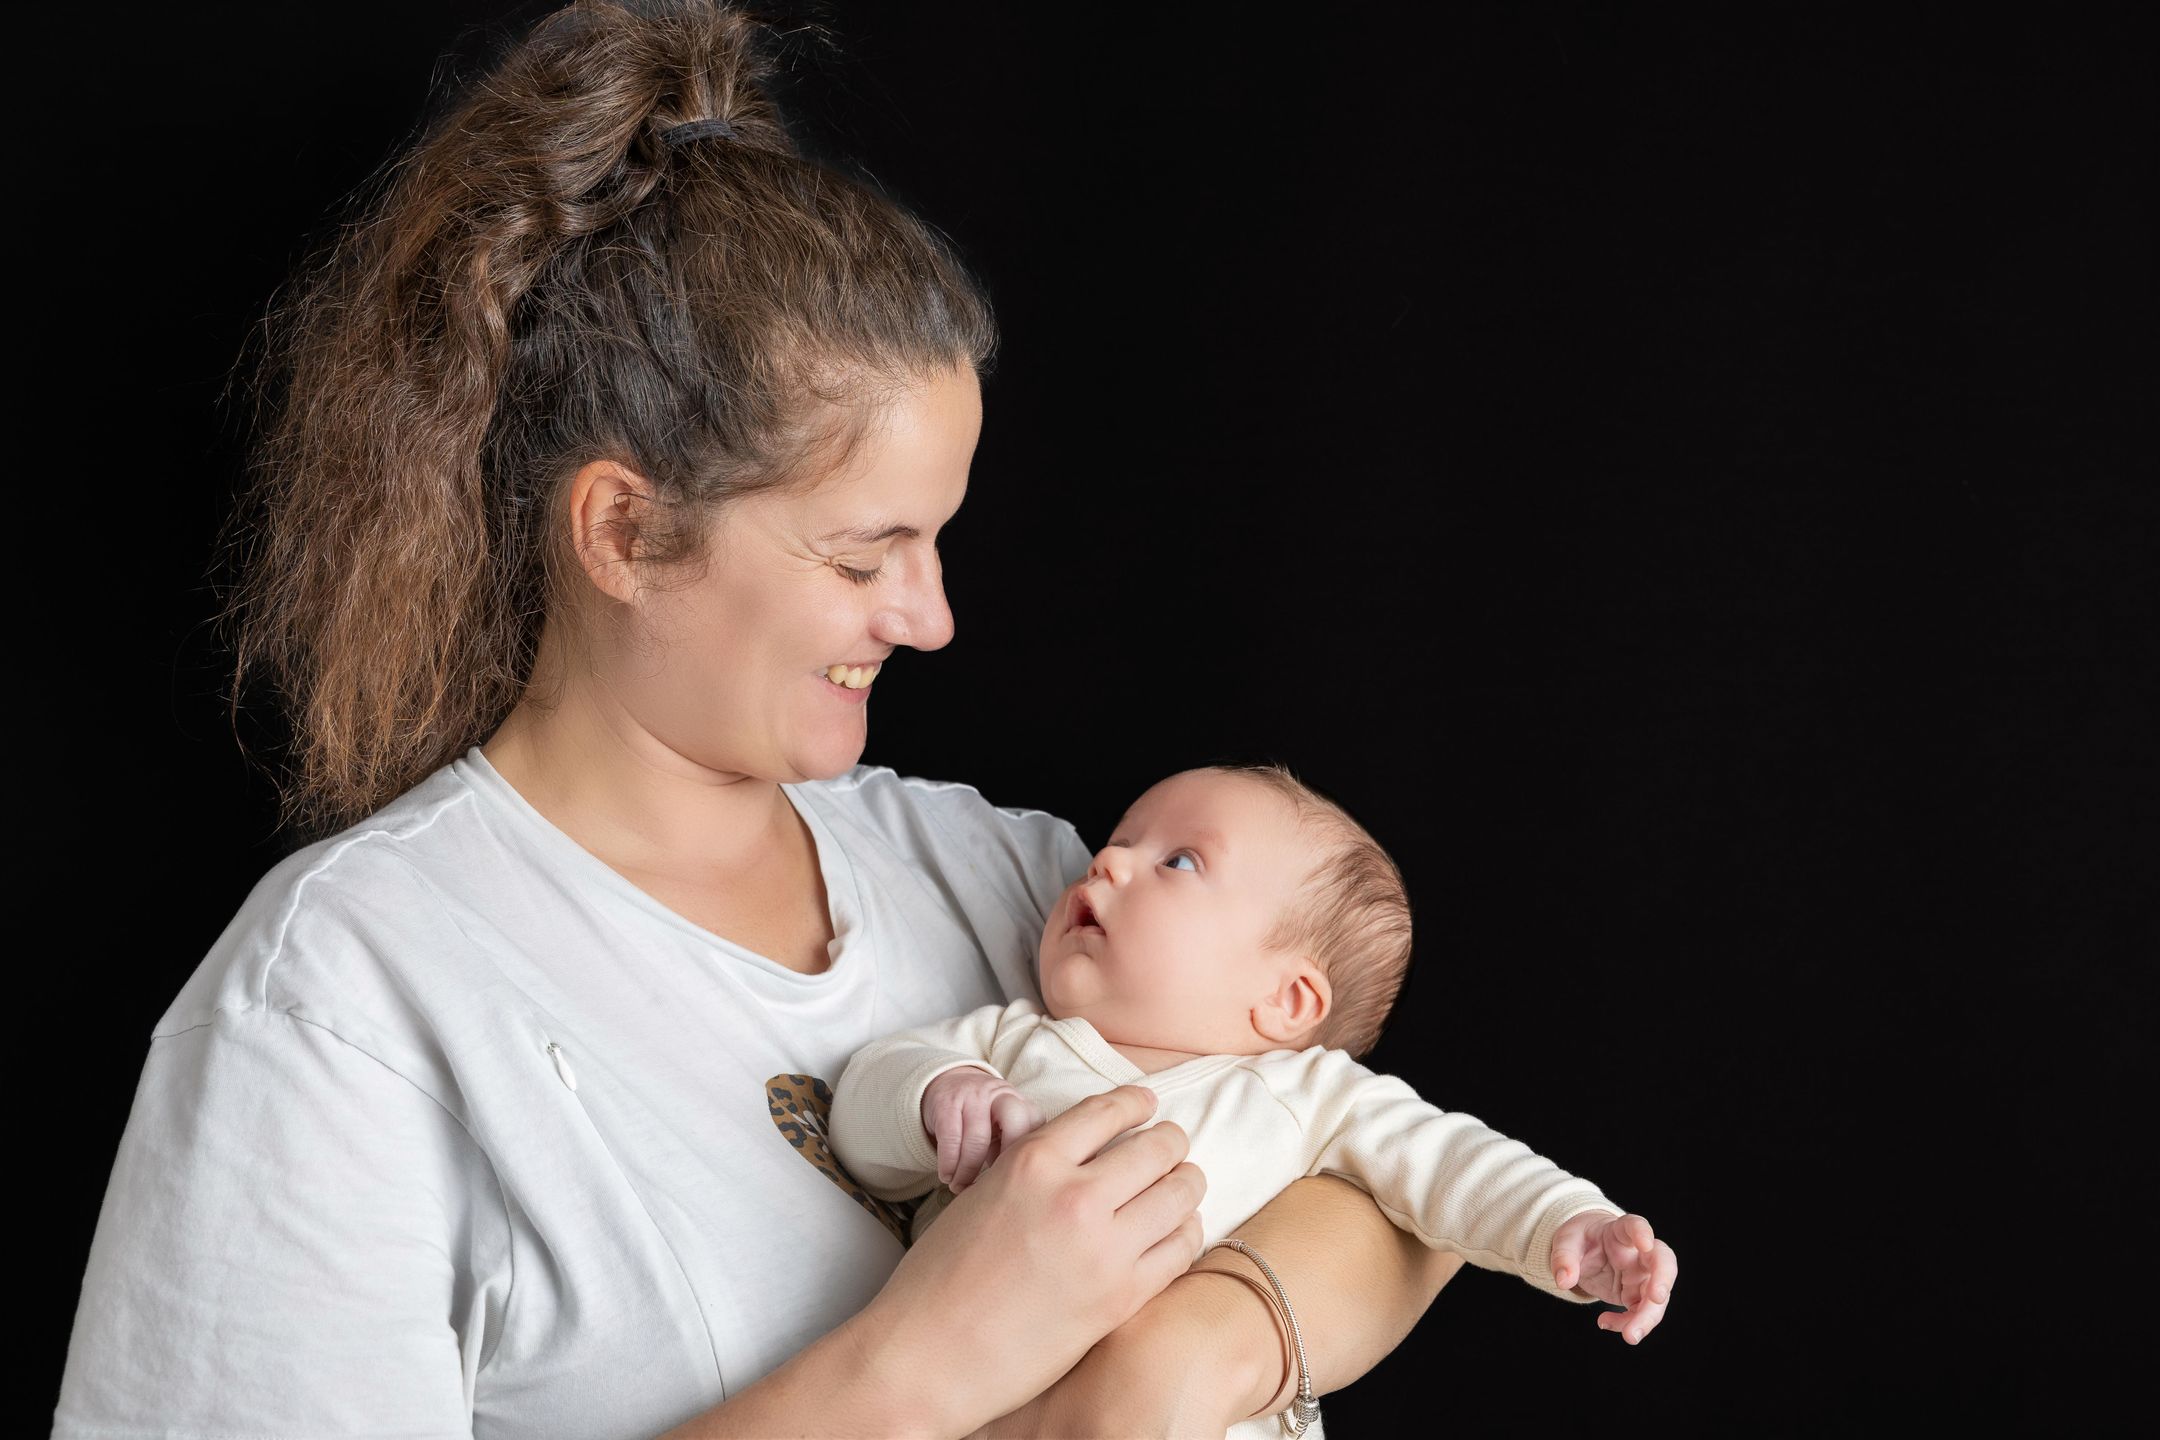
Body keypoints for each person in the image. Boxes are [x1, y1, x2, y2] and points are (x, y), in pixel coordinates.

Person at [51, 2, 1466, 1436]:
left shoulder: (1013, 886)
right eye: (861, 557)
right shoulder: (340, 1007)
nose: (931, 618)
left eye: (935, 542)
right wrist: (927, 1361)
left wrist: (1169, 1370)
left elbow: (1389, 1180)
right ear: (623, 532)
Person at [829, 764, 1680, 1436]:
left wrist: (1569, 1224)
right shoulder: (1007, 1045)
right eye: (1120, 841)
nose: (1108, 862)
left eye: (1179, 861)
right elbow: (862, 1118)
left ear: (1287, 1001)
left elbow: (1454, 1163)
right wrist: (936, 1094)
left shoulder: (1307, 1096)